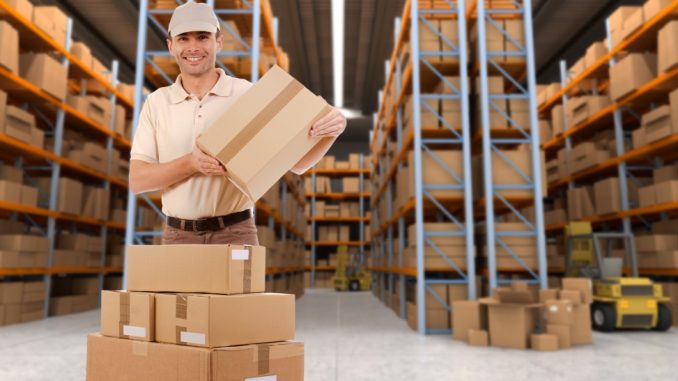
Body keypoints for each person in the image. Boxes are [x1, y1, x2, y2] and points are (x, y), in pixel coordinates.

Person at [128, 1, 346, 245]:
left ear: (218, 43)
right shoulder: (157, 103)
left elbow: (297, 164)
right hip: (178, 235)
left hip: (235, 233)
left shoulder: (247, 95)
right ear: (171, 46)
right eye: (183, 39)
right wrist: (191, 163)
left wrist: (331, 133)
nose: (193, 47)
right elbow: (138, 181)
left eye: (202, 37)